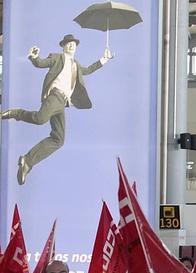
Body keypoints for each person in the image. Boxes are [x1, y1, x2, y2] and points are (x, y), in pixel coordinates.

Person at [0, 34, 112, 184]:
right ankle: (16, 113)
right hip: (55, 96)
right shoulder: (57, 58)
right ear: (63, 46)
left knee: (59, 139)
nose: (71, 45)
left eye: (74, 44)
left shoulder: (76, 65)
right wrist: (34, 57)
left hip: (63, 104)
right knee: (40, 119)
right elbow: (41, 63)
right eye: (68, 43)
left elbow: (88, 70)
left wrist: (104, 59)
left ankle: (27, 161)